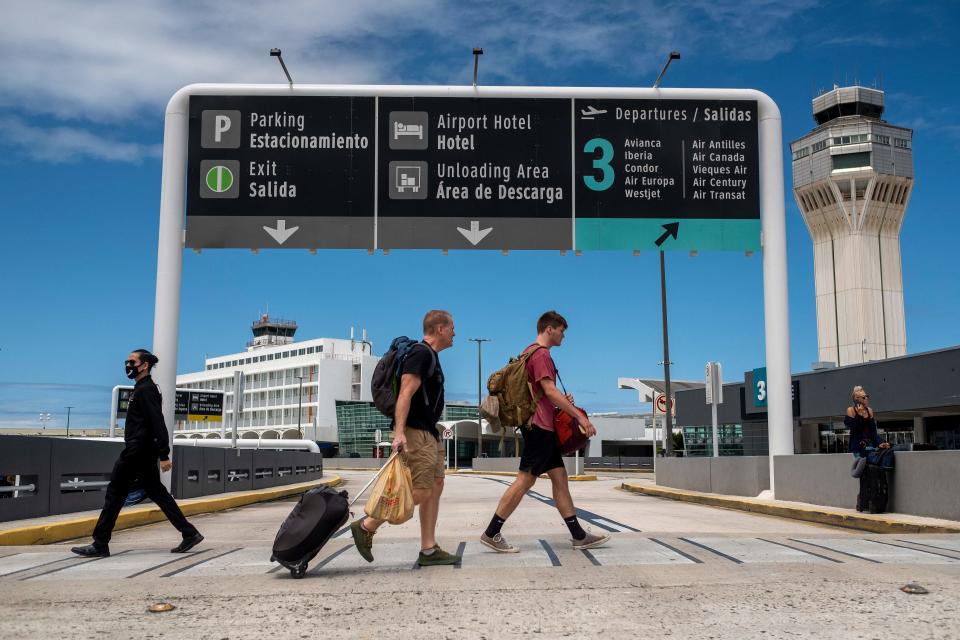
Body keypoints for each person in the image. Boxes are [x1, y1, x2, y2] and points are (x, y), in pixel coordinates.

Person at [480, 311, 610, 553]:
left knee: (560, 478)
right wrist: (579, 416)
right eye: (562, 331)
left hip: (541, 427)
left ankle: (578, 535)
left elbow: (542, 394)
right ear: (549, 329)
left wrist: (560, 402)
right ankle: (492, 532)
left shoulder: (528, 351)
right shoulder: (541, 355)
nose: (563, 336)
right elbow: (549, 391)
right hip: (539, 428)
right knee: (524, 480)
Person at [350, 310, 461, 566]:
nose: (455, 332)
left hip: (428, 433)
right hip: (415, 432)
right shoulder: (421, 353)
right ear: (440, 329)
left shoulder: (430, 356)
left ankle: (429, 550)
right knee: (420, 491)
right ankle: (367, 526)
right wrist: (399, 433)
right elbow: (405, 394)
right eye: (452, 327)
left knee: (435, 487)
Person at [71, 349, 203, 558]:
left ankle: (100, 543)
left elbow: (157, 422)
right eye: (127, 362)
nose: (128, 366)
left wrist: (164, 454)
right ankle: (189, 533)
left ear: (145, 366)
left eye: (132, 362)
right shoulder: (141, 388)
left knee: (115, 493)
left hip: (137, 451)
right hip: (142, 450)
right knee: (157, 493)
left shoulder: (146, 390)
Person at [844, 385, 890, 459]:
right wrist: (859, 415)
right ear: (856, 399)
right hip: (858, 447)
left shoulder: (869, 410)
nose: (866, 399)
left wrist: (880, 443)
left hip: (870, 445)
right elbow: (855, 429)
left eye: (867, 396)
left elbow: (873, 431)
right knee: (861, 468)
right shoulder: (851, 410)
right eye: (864, 397)